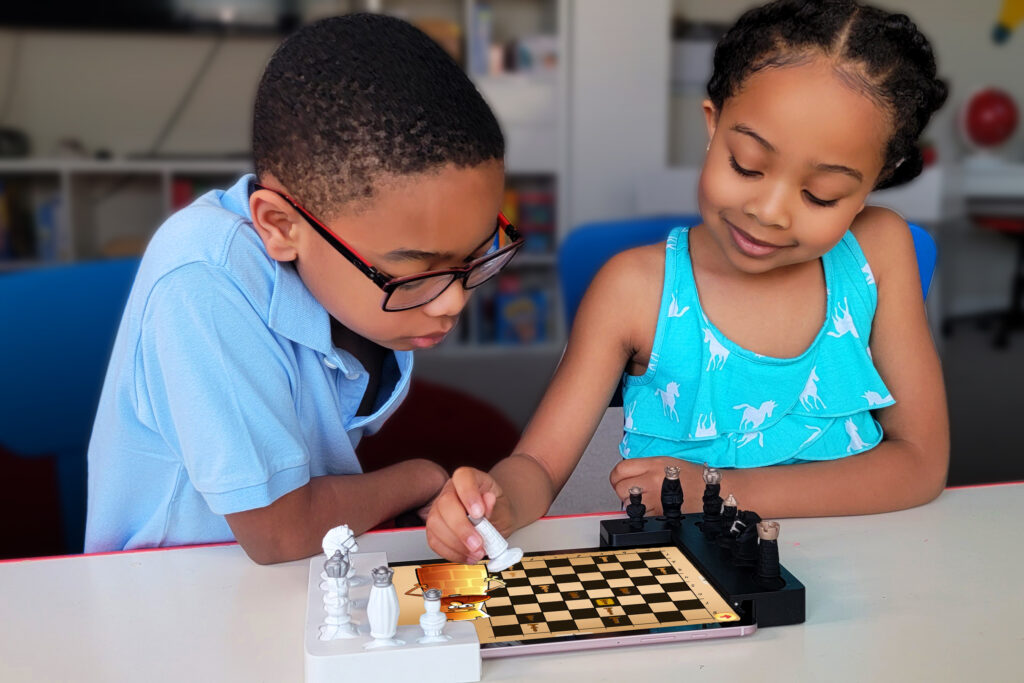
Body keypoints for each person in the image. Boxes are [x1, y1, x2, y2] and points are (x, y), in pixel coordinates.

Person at [425, 0, 950, 564]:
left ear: (876, 180)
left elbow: (920, 462)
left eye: (821, 194)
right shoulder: (633, 289)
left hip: (868, 571)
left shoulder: (879, 250)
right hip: (683, 583)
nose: (770, 211)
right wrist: (495, 506)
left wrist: (722, 490)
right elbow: (539, 467)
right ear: (712, 125)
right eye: (746, 164)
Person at [85, 14, 521, 563]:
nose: (454, 300)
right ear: (280, 227)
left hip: (301, 580)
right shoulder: (203, 282)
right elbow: (281, 533)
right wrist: (422, 477)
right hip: (170, 597)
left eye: (476, 254)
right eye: (418, 268)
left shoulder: (354, 266)